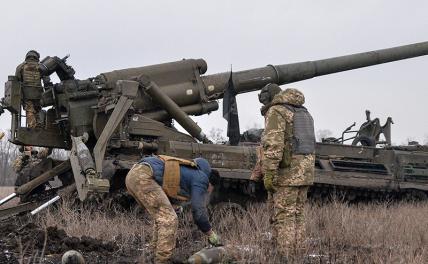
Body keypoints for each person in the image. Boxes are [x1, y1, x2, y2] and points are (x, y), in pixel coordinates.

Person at [125, 155, 221, 264]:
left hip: (134, 174)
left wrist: (174, 206)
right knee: (170, 220)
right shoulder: (202, 178)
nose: (208, 192)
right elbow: (198, 212)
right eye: (210, 190)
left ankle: (151, 255)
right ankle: (162, 261)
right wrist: (210, 233)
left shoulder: (189, 170)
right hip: (144, 176)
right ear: (210, 184)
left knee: (161, 218)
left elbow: (165, 186)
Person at [260, 86, 315, 256]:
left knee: (284, 217)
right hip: (305, 172)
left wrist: (269, 173)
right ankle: (298, 255)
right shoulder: (304, 112)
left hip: (287, 174)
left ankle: (285, 256)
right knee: (298, 216)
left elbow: (274, 145)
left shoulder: (277, 111)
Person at [15, 50, 47, 128]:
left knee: (29, 110)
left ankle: (32, 126)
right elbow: (46, 79)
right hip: (39, 93)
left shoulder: (21, 66)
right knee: (38, 109)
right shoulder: (40, 66)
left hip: (26, 93)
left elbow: (17, 79)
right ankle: (40, 125)